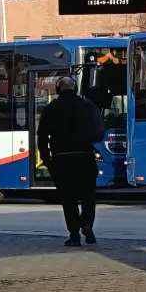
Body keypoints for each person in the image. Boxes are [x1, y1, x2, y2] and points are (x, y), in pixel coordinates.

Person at [37, 76, 102, 247]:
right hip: (85, 157)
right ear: (75, 89)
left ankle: (74, 235)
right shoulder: (88, 106)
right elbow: (99, 133)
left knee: (69, 199)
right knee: (88, 196)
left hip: (62, 159)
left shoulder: (51, 109)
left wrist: (47, 159)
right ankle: (87, 224)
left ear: (58, 90)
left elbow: (42, 137)